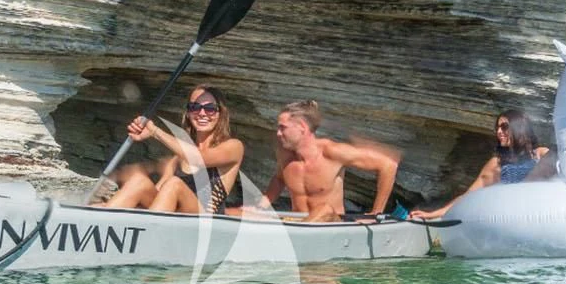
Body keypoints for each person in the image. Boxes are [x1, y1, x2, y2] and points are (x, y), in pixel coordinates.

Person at [100, 85, 245, 214]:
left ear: (221, 114)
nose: (202, 113)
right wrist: (110, 205)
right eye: (195, 107)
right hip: (171, 218)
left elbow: (200, 158)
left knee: (174, 185)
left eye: (210, 108)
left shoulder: (234, 146)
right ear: (188, 113)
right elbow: (158, 196)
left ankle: (147, 235)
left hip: (204, 224)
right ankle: (100, 221)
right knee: (139, 181)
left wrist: (155, 132)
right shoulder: (177, 159)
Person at [254, 100, 400, 223]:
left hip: (331, 224)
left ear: (302, 128)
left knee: (324, 209)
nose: (278, 133)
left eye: (282, 127)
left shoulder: (332, 152)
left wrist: (375, 213)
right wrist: (260, 207)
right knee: (239, 212)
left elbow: (388, 164)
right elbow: (280, 179)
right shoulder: (284, 153)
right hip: (296, 222)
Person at [409, 108, 553, 221]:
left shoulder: (541, 154)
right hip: (515, 217)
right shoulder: (497, 164)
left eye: (504, 127)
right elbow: (468, 196)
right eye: (497, 128)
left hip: (543, 213)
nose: (499, 132)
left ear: (519, 127)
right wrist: (435, 214)